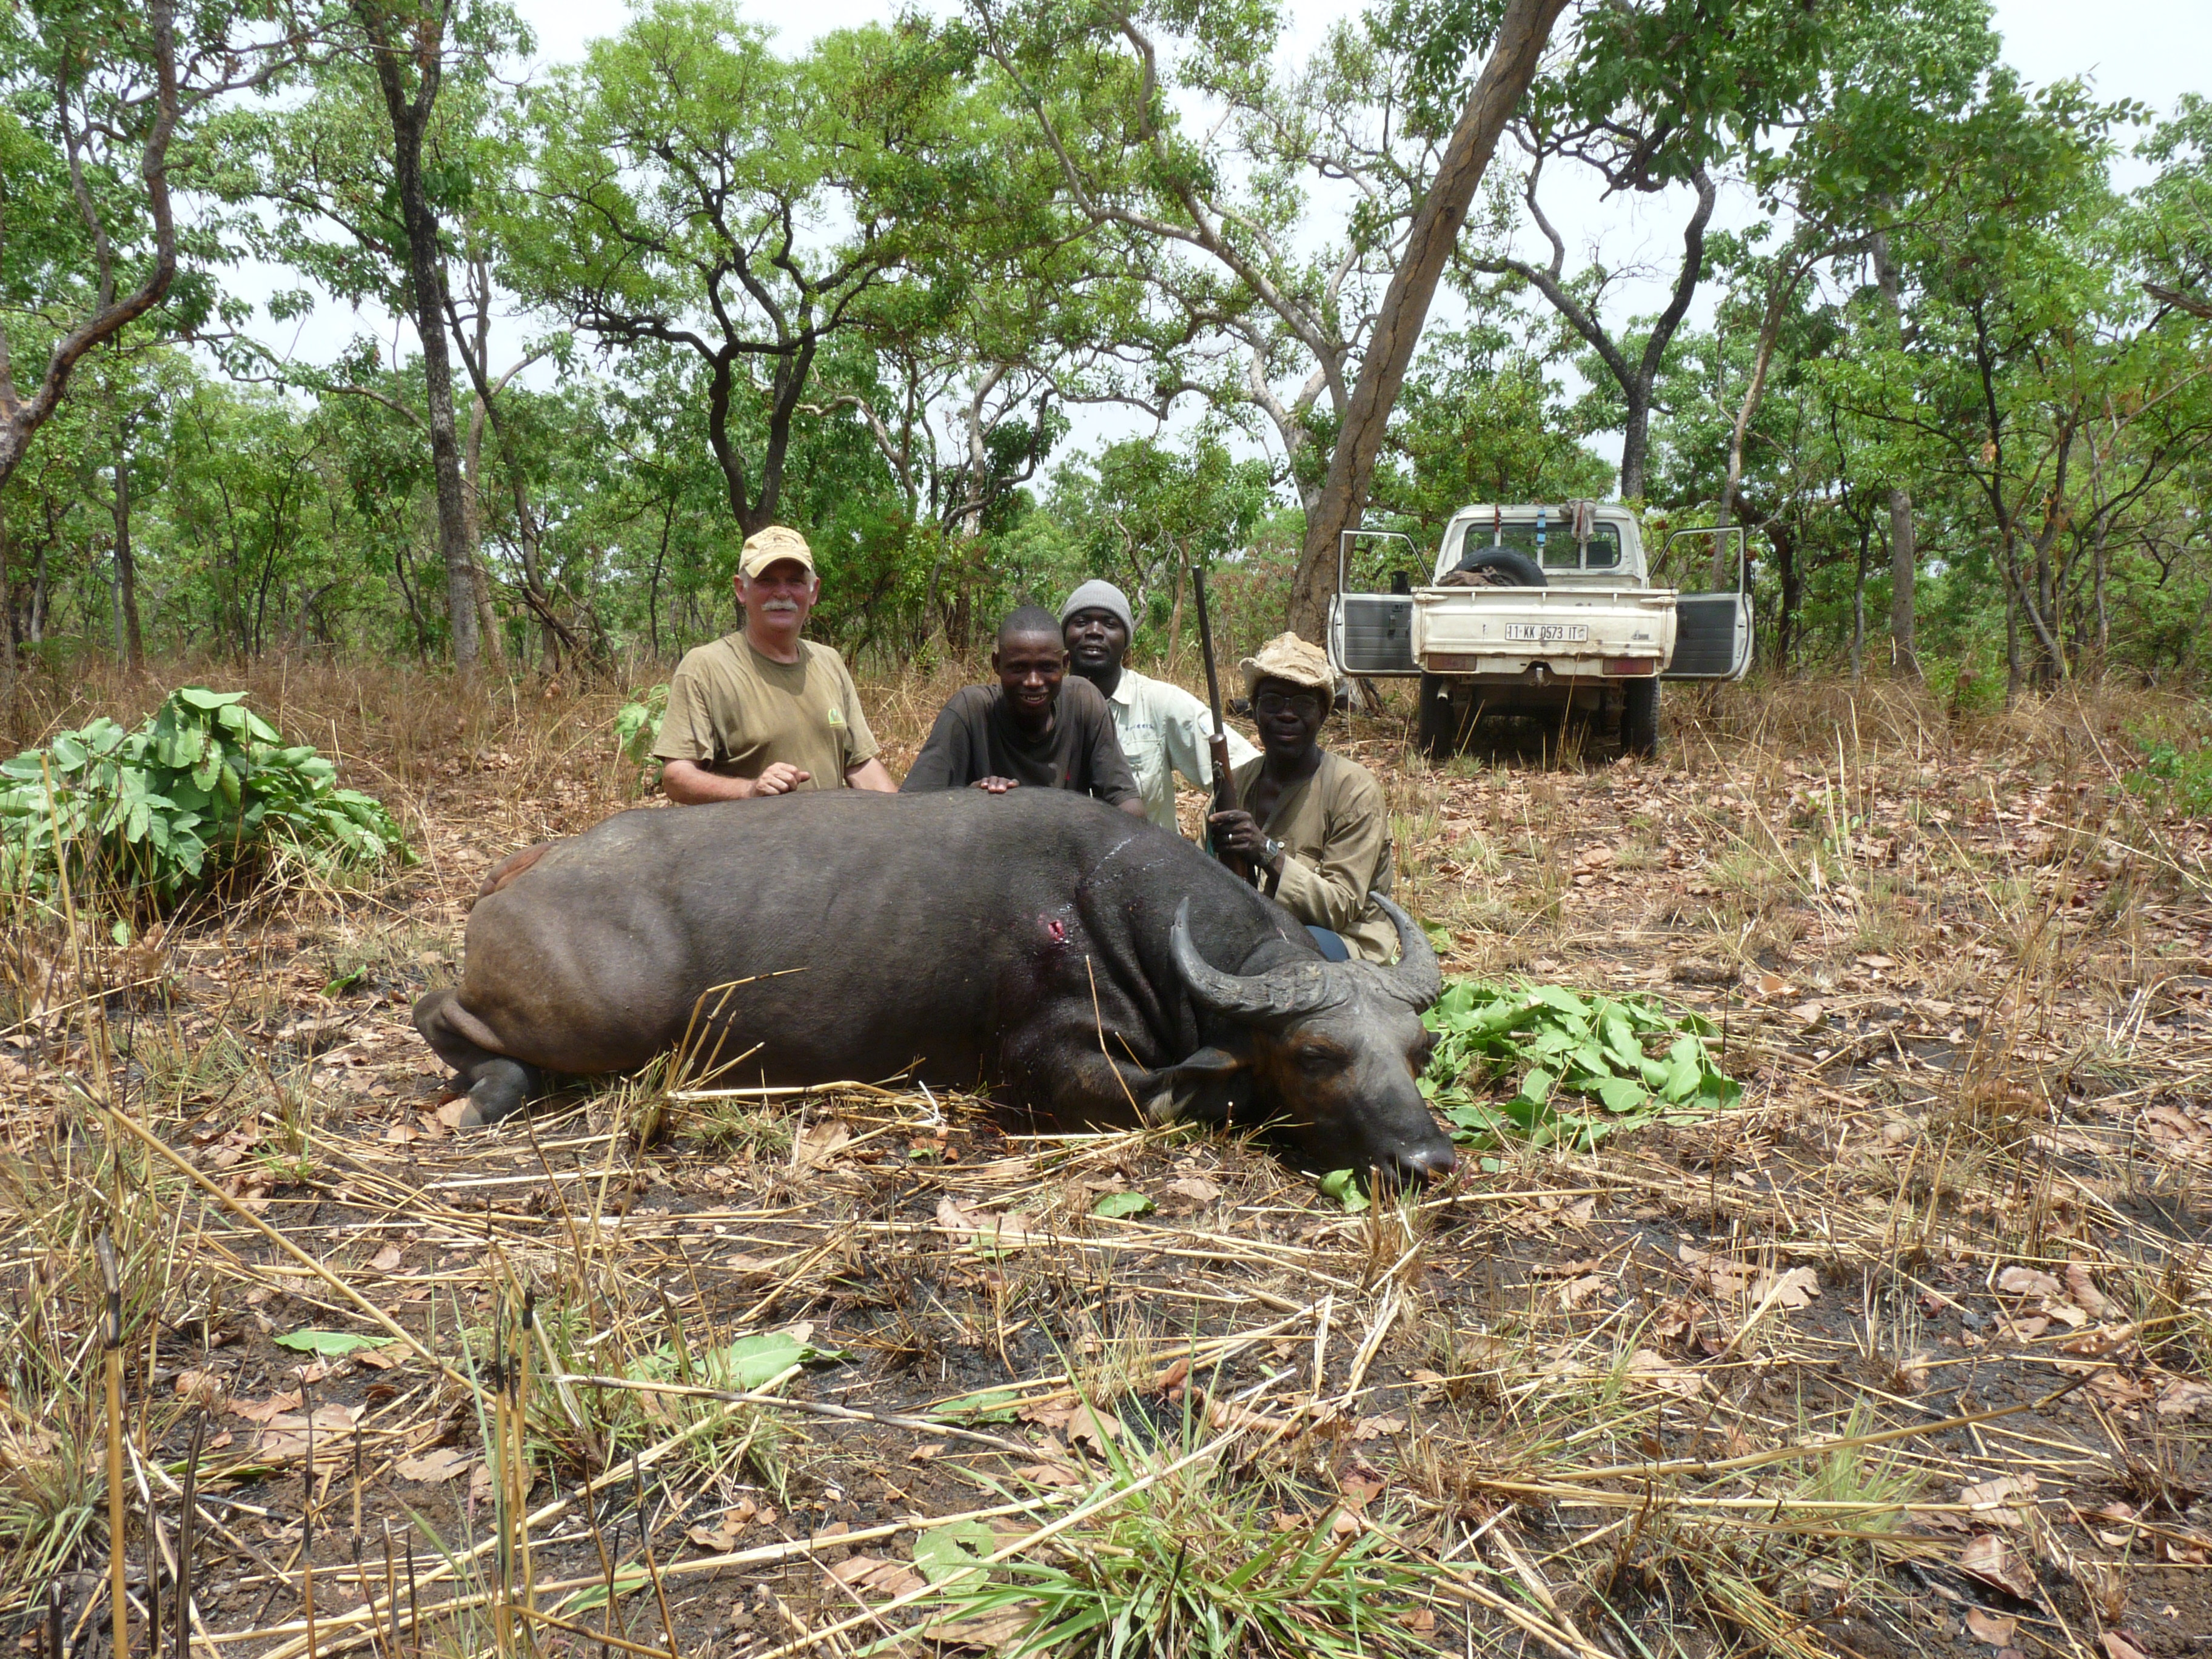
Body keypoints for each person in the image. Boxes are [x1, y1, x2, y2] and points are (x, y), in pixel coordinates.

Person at [654, 526, 897, 802]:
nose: (782, 593)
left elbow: (861, 765)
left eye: (794, 582)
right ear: (741, 589)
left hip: (830, 841)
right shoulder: (705, 667)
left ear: (813, 591)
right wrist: (749, 790)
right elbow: (676, 778)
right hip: (748, 843)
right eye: (766, 581)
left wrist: (904, 818)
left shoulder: (829, 661)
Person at [1205, 632, 1399, 964]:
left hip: (1343, 941)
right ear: (1254, 712)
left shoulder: (1354, 790)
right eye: (1273, 702)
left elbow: (1339, 909)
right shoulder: (1236, 784)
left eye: (1302, 704)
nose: (1286, 715)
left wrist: (1265, 851)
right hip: (1255, 934)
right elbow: (1202, 873)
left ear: (1323, 714)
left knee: (1291, 954)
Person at [902, 606, 1147, 815]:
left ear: (1064, 665)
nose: (1033, 681)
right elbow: (911, 808)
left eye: (1047, 668)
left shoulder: (1085, 702)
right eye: (1018, 668)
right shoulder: (970, 710)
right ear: (997, 665)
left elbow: (1127, 803)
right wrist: (969, 800)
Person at [1060, 578, 1257, 837]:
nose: (1095, 631)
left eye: (1110, 624)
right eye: (1082, 622)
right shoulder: (1041, 705)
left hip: (1149, 869)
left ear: (1126, 641)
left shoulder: (1160, 702)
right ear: (1064, 636)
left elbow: (1246, 772)